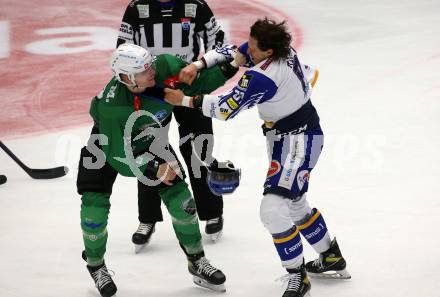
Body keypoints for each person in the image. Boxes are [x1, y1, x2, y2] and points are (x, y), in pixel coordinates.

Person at [164, 18, 351, 297]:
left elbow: (225, 108)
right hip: (289, 136)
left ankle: (298, 277)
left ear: (268, 52)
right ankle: (331, 257)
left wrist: (185, 101)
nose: (247, 50)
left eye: (253, 47)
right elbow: (232, 51)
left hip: (297, 142)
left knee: (273, 210)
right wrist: (197, 65)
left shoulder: (262, 77)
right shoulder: (281, 50)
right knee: (295, 203)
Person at [77, 43, 238, 296]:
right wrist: (154, 167)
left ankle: (197, 261)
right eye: (144, 70)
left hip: (149, 139)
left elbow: (199, 85)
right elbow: (120, 158)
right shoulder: (112, 107)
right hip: (107, 144)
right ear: (127, 78)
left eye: (149, 64)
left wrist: (231, 66)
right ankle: (96, 266)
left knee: (183, 201)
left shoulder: (164, 67)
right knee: (93, 210)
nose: (152, 70)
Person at [117, 0, 228, 244]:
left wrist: (200, 67)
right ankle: (147, 217)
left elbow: (218, 44)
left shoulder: (196, 6)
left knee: (198, 148)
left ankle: (211, 212)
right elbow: (123, 50)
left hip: (188, 86)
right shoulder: (137, 8)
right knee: (148, 148)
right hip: (150, 90)